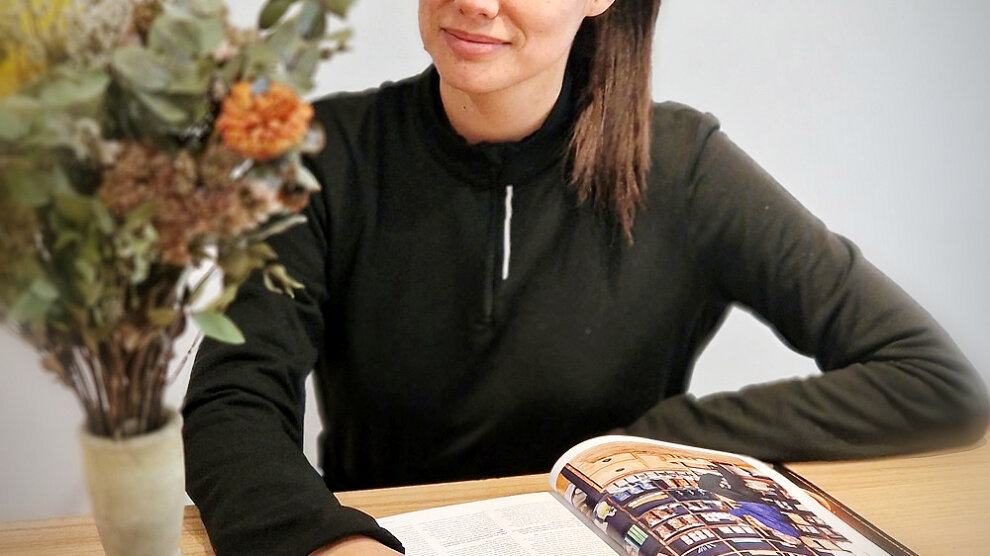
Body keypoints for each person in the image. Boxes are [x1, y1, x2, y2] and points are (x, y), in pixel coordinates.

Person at [182, 0, 988, 555]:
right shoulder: (323, 155)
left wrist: (658, 445)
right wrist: (329, 541)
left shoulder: (683, 165)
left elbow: (930, 379)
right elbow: (233, 399)